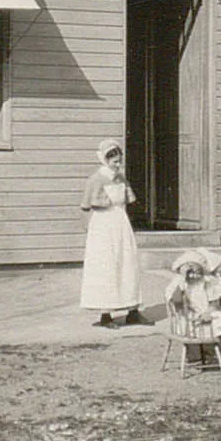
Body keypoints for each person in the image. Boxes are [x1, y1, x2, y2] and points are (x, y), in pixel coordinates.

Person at [79, 139, 147, 328]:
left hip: (120, 222)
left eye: (119, 161)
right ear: (104, 160)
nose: (117, 165)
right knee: (106, 266)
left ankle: (132, 311)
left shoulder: (121, 178)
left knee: (127, 263)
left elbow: (127, 199)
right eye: (114, 162)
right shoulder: (96, 179)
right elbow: (87, 205)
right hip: (103, 225)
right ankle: (106, 315)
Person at [164, 248, 221, 377]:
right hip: (187, 319)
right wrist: (182, 280)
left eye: (197, 271)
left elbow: (214, 303)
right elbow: (176, 302)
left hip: (207, 315)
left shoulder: (205, 283)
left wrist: (209, 312)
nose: (194, 275)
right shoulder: (177, 285)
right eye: (190, 272)